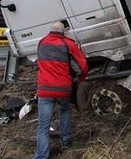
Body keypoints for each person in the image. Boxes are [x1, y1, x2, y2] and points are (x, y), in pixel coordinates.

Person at [34, 21, 88, 159]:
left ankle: (41, 156)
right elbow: (81, 65)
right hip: (63, 89)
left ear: (50, 30)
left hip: (44, 89)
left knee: (43, 126)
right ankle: (65, 140)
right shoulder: (68, 44)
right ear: (63, 32)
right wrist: (82, 78)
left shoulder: (42, 43)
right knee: (64, 111)